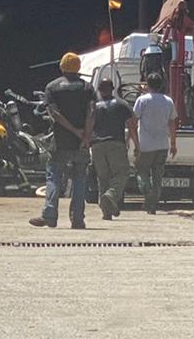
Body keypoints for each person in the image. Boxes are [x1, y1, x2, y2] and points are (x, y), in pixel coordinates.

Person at [29, 52, 95, 230]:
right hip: (81, 142)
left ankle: (49, 215)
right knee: (80, 179)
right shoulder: (87, 87)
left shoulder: (52, 87)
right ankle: (78, 219)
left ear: (61, 67)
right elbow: (91, 113)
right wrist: (85, 136)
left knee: (53, 178)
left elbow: (55, 114)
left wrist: (73, 130)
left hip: (59, 142)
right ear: (79, 67)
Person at [91, 78, 137, 220]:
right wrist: (136, 144)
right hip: (115, 143)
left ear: (99, 90)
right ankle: (111, 194)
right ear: (113, 89)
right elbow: (132, 125)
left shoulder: (93, 106)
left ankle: (107, 212)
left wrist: (86, 142)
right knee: (122, 173)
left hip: (97, 145)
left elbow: (88, 124)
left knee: (102, 177)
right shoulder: (122, 105)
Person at [133, 73, 178, 214]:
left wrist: (132, 142)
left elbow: (133, 121)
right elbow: (172, 123)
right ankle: (152, 204)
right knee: (158, 177)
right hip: (162, 145)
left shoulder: (142, 100)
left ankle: (147, 193)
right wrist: (173, 143)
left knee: (141, 172)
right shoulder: (168, 101)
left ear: (147, 84)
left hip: (145, 145)